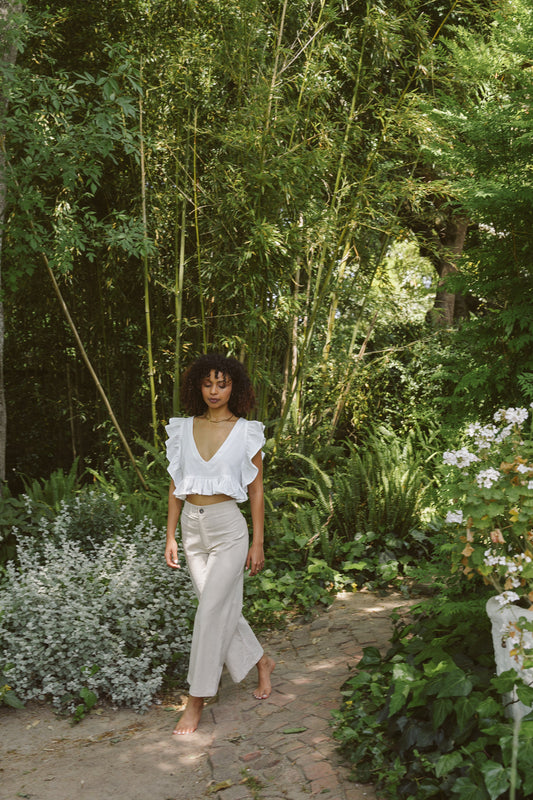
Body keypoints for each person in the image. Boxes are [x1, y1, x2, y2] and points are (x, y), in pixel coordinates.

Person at [164, 353, 275, 735]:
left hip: (229, 530)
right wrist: (171, 535)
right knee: (221, 608)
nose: (214, 391)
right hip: (193, 533)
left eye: (222, 383)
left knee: (209, 613)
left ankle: (195, 701)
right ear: (198, 384)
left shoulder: (247, 432)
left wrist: (257, 543)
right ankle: (261, 661)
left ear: (235, 387)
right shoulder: (183, 429)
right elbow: (176, 486)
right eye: (208, 383)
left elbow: (256, 490)